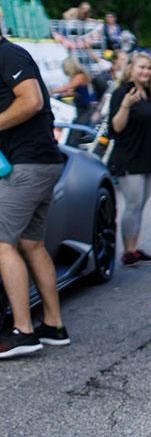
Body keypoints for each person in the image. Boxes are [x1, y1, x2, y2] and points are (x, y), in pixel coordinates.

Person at [0, 23, 70, 358]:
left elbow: (31, 100)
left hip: (28, 163)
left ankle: (24, 331)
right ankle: (53, 325)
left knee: (1, 244)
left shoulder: (7, 53)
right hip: (39, 162)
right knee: (31, 243)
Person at [108, 52, 151, 265]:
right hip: (129, 157)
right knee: (133, 204)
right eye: (141, 67)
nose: (146, 72)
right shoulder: (122, 92)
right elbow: (116, 127)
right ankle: (128, 251)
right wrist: (126, 104)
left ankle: (134, 247)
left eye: (149, 68)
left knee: (140, 205)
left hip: (149, 157)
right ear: (131, 68)